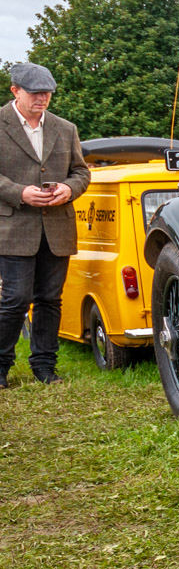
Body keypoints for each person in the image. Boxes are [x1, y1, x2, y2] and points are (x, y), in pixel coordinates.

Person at [0, 62, 90, 387]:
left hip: (57, 228)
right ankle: (0, 366)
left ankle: (44, 367)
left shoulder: (66, 128)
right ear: (15, 91)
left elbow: (81, 172)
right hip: (12, 229)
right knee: (15, 299)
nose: (43, 98)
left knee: (51, 299)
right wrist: (18, 192)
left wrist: (70, 189)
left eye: (47, 93)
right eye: (36, 93)